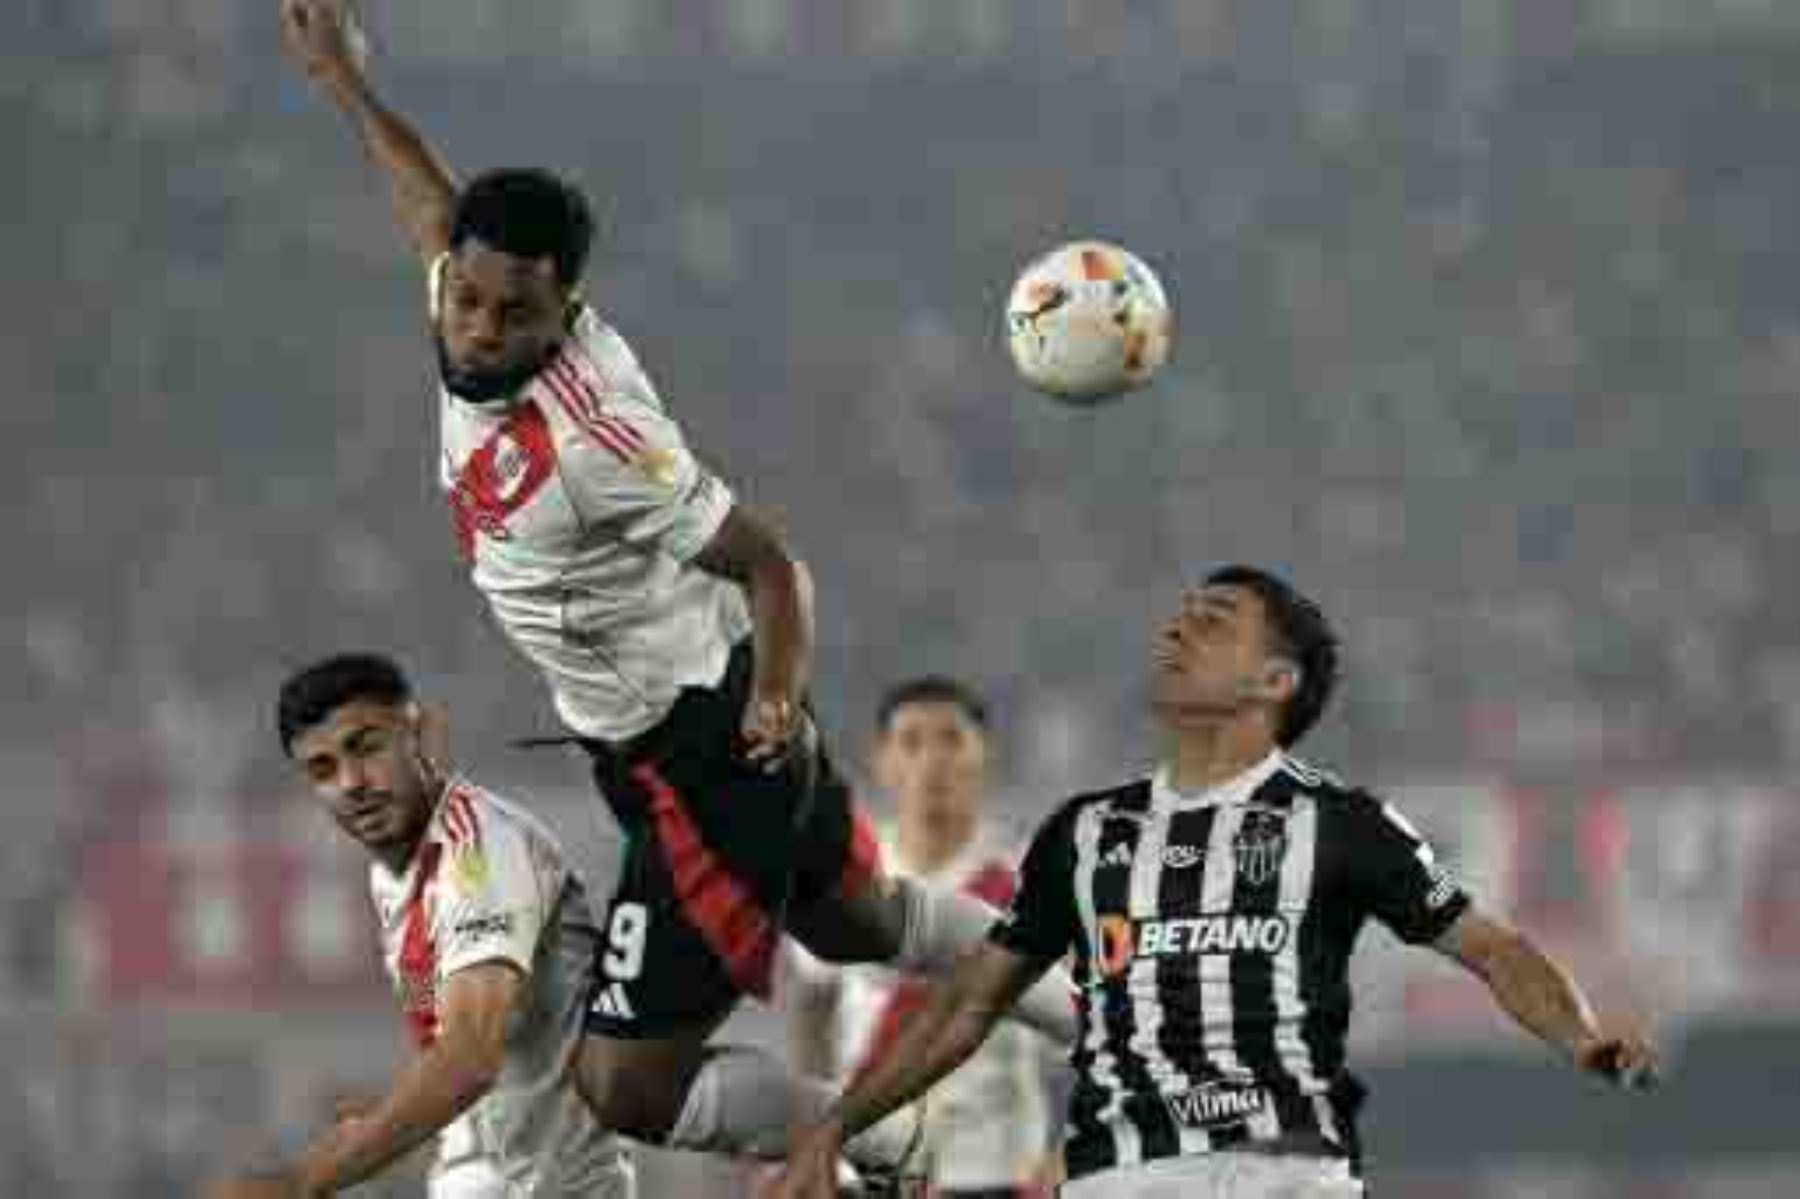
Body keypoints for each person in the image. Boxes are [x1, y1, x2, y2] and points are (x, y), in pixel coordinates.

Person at [275, 0, 1077, 1168]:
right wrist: (346, 84)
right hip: (671, 733)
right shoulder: (466, 305)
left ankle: (893, 1147)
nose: (481, 330)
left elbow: (772, 564)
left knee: (625, 1084)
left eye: (515, 314)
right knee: (859, 918)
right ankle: (1107, 1000)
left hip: (706, 752)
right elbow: (428, 208)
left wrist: (774, 699)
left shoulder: (600, 443)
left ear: (565, 312)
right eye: (468, 300)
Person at [771, 566, 1660, 1199]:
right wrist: (836, 1126)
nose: (1174, 628)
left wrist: (1582, 1039)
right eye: (1180, 614)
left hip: (1287, 1169)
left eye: (1213, 620)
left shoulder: (1341, 824)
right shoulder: (1086, 833)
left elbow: (1492, 947)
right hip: (1121, 1174)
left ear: (1276, 679)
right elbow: (964, 1007)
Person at [205, 653, 635, 1199]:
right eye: (323, 769)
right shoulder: (393, 878)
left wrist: (303, 1180)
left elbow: (467, 1060)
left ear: (422, 734)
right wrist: (382, 1121)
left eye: (367, 747)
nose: (351, 783)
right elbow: (453, 1044)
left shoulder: (479, 854)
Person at [782, 678, 1058, 1198]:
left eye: (951, 740)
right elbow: (812, 1006)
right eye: (911, 742)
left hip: (991, 1168)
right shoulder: (842, 879)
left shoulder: (1033, 884)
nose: (932, 762)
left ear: (984, 755)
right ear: (882, 761)